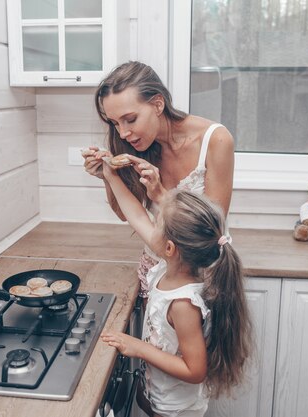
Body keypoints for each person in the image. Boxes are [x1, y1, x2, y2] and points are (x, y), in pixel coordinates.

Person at [100, 163, 253, 417]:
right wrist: (110, 175)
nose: (151, 225)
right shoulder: (168, 269)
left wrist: (138, 348)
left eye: (157, 223)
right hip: (160, 398)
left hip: (176, 410)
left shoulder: (183, 304)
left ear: (170, 248)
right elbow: (137, 215)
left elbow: (195, 371)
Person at [83, 61, 235, 300]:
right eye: (115, 123)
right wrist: (107, 176)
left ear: (157, 104)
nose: (122, 133)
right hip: (153, 268)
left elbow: (210, 228)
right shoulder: (129, 144)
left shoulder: (215, 140)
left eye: (130, 119)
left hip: (200, 276)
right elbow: (126, 213)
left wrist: (161, 196)